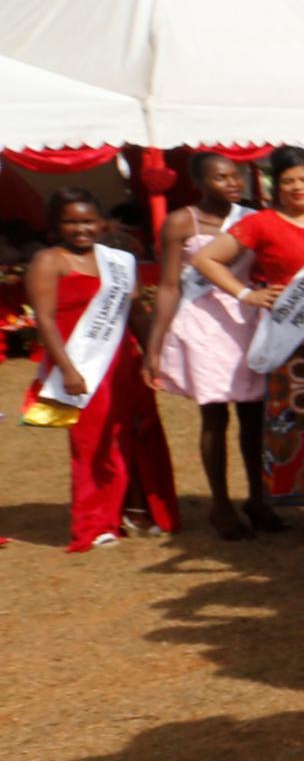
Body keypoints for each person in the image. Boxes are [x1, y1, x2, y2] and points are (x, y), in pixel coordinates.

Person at [189, 147, 304, 513]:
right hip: (292, 337)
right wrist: (247, 293)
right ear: (275, 185)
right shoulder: (262, 222)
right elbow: (205, 258)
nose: (297, 188)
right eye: (287, 181)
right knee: (301, 417)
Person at [25, 189, 179, 552]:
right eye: (71, 221)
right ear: (56, 225)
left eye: (88, 221)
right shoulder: (49, 261)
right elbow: (44, 321)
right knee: (94, 443)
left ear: (102, 223)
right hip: (83, 364)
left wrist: (149, 355)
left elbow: (137, 311)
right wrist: (67, 370)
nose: (81, 229)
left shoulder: (119, 260)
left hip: (124, 360)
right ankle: (96, 522)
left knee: (140, 431)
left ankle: (139, 510)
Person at [143, 151, 271, 539]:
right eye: (221, 178)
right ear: (200, 183)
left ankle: (258, 499)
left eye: (235, 177)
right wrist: (154, 345)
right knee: (215, 417)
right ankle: (221, 505)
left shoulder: (250, 218)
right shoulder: (182, 221)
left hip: (246, 319)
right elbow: (168, 285)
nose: (233, 184)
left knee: (255, 418)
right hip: (202, 323)